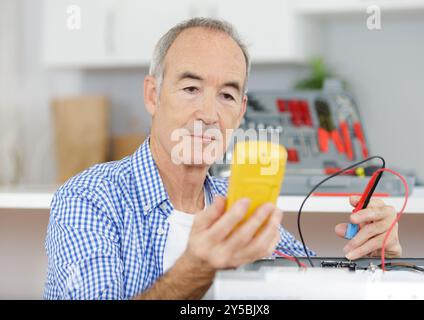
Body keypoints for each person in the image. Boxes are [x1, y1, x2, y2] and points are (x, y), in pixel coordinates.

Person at [44, 18, 401, 300]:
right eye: (190, 89)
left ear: (241, 111)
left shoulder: (237, 201)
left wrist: (371, 258)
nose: (209, 114)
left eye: (227, 95)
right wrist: (197, 268)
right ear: (153, 96)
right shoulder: (89, 198)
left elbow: (313, 282)